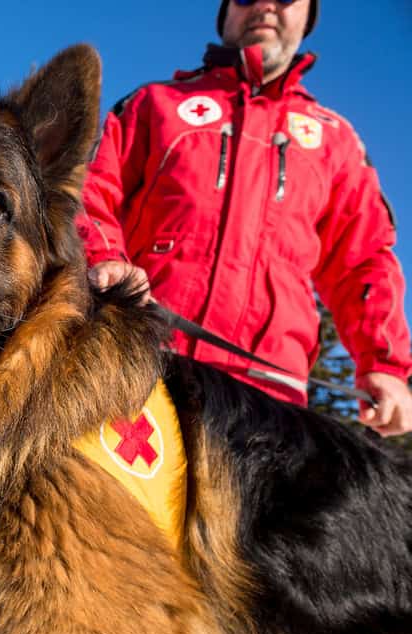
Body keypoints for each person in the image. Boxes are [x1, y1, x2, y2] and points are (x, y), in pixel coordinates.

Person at [75, 0, 412, 436]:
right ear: (226, 12)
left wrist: (385, 364)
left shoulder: (335, 142)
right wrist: (107, 261)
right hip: (142, 370)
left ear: (308, 15)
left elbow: (364, 258)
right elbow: (89, 192)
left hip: (269, 404)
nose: (266, 5)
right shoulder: (153, 105)